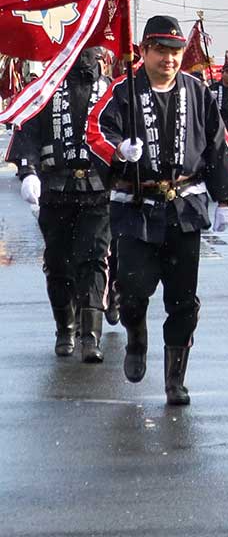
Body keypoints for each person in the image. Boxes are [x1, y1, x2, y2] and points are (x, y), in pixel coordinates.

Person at [87, 15, 228, 405]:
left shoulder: (197, 91)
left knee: (182, 298)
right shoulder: (123, 90)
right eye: (160, 50)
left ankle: (175, 378)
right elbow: (95, 130)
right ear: (144, 52)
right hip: (136, 207)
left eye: (175, 51)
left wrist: (224, 197)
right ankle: (136, 336)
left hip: (183, 207)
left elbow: (217, 141)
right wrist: (119, 151)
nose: (169, 59)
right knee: (134, 288)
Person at [10, 47, 112, 361]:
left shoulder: (111, 90)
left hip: (98, 188)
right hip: (56, 188)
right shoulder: (46, 88)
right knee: (58, 262)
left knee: (93, 258)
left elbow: (123, 131)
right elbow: (26, 128)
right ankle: (64, 327)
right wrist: (27, 170)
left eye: (90, 54)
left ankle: (90, 335)